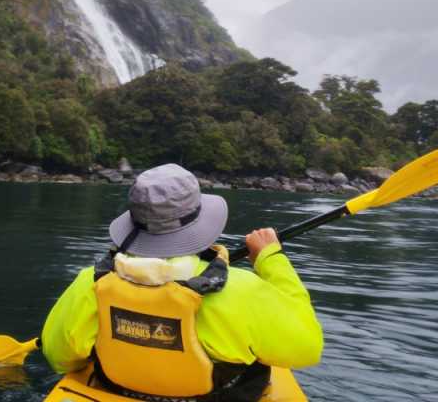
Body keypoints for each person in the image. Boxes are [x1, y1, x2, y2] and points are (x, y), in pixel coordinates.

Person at [41, 164, 323, 400]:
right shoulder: (242, 290)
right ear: (201, 222)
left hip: (119, 391)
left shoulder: (91, 281)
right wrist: (270, 259)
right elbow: (308, 348)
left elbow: (58, 357)